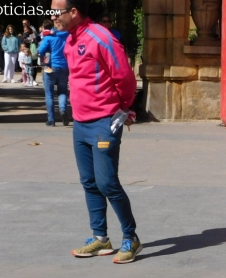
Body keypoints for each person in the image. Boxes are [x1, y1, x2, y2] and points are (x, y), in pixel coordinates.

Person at [52, 0, 141, 264]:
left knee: (107, 183)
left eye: (56, 11)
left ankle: (130, 237)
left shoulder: (101, 37)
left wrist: (124, 108)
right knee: (89, 182)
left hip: (104, 121)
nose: (52, 16)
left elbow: (124, 76)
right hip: (80, 124)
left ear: (74, 12)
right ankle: (100, 238)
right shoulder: (68, 39)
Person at [38, 18, 70, 126]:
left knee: (49, 94)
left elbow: (40, 51)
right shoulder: (68, 36)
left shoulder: (49, 37)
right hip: (64, 66)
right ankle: (62, 110)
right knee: (62, 91)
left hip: (50, 67)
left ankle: (51, 119)